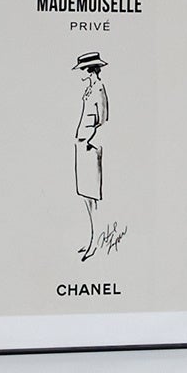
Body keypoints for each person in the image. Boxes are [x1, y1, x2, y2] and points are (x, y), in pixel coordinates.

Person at [73, 51, 109, 261]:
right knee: (85, 195)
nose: (79, 73)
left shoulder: (99, 89)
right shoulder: (89, 90)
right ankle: (91, 239)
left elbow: (102, 120)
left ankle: (95, 242)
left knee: (93, 195)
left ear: (89, 70)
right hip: (82, 145)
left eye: (81, 70)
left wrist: (89, 141)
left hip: (90, 146)